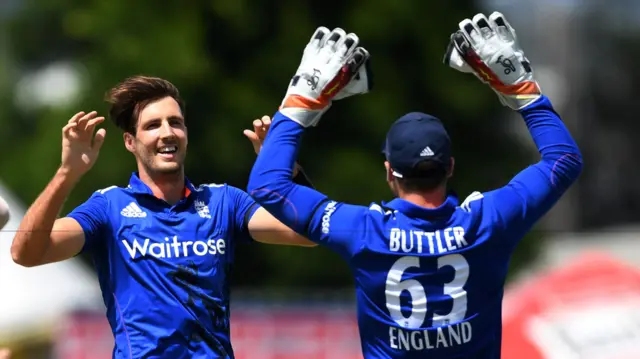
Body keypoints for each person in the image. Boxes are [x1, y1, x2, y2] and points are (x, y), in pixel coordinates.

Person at [247, 13, 583, 359]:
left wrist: (300, 103)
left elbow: (268, 184)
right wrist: (521, 87)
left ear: (389, 171)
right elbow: (563, 159)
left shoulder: (365, 231)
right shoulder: (490, 221)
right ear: (450, 167)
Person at [10, 75, 320, 358]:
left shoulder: (224, 202)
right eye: (152, 125)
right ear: (130, 141)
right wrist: (67, 173)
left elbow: (310, 233)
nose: (167, 132)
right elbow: (26, 252)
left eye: (176, 122)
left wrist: (283, 167)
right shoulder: (109, 207)